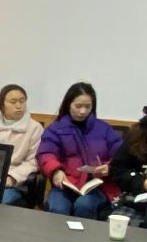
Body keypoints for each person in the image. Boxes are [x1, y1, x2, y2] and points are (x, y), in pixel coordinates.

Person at [37, 82, 126, 218]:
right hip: (66, 184)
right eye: (78, 106)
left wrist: (110, 167)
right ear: (68, 104)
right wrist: (56, 171)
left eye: (87, 106)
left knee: (84, 205)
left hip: (97, 186)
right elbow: (46, 154)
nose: (83, 111)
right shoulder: (55, 129)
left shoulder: (104, 129)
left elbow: (121, 155)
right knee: (58, 209)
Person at [0, 84, 44, 206]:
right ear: (2, 104)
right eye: (13, 102)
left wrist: (13, 177)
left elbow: (34, 161)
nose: (18, 106)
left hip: (14, 183)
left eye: (22, 101)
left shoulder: (34, 128)